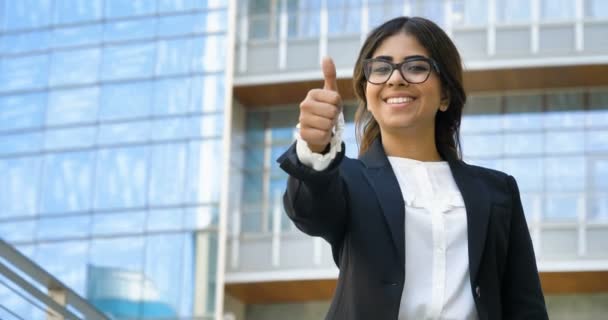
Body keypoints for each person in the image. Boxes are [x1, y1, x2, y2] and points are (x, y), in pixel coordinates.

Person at [276, 16, 548, 320]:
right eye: (380, 68)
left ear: (445, 95)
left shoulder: (498, 191)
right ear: (368, 94)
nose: (395, 79)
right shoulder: (346, 179)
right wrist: (314, 148)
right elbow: (308, 211)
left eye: (416, 66)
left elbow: (525, 306)